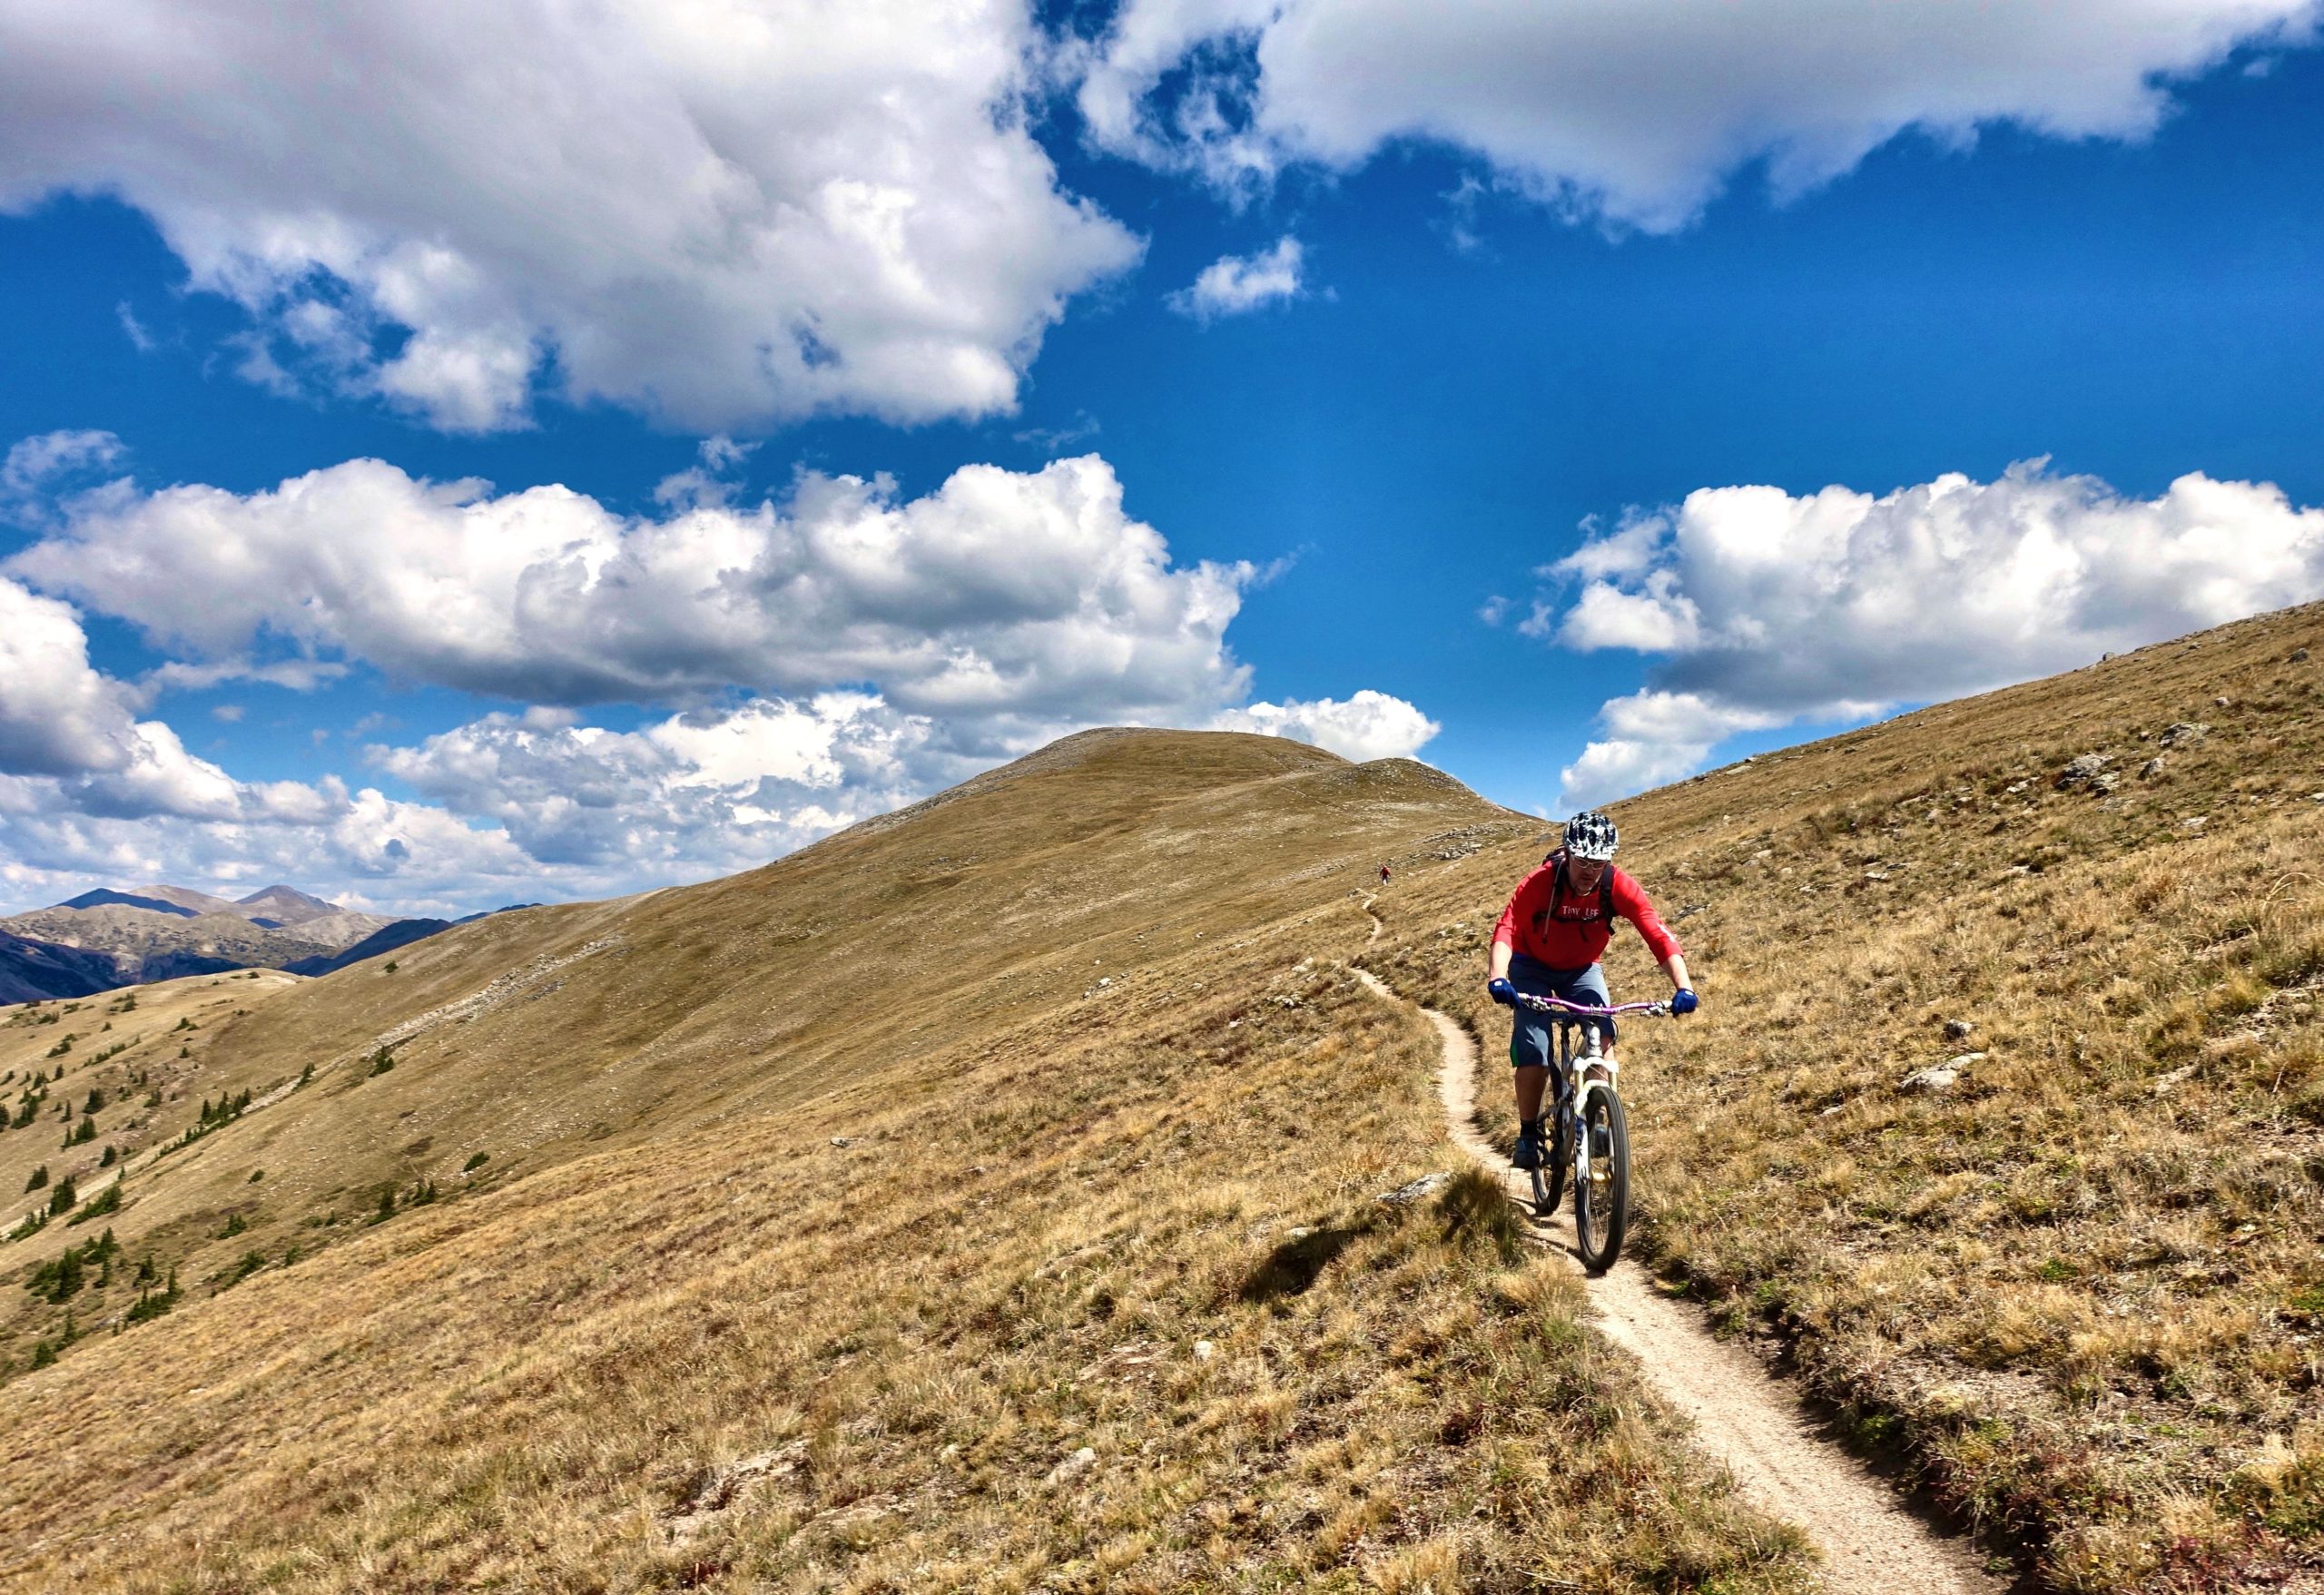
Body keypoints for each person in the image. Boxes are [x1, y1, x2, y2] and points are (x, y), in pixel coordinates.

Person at [1485, 810, 1698, 1170]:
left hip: (1582, 969)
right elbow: (1507, 928)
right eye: (1582, 861)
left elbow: (1657, 933)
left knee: (1602, 1033)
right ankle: (1527, 1133)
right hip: (1530, 967)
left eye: (1599, 863)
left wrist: (1684, 986)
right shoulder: (1540, 882)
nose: (1590, 871)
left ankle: (1596, 1118)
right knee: (1533, 1047)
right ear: (1567, 853)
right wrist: (1498, 977)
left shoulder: (1617, 886)